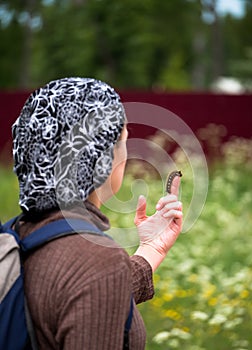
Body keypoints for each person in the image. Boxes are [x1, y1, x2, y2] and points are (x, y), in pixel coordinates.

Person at [12, 77, 183, 350]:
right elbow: (90, 278)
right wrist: (107, 264)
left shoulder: (19, 236)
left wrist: (152, 248)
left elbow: (79, 294)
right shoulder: (96, 261)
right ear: (102, 157)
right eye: (123, 141)